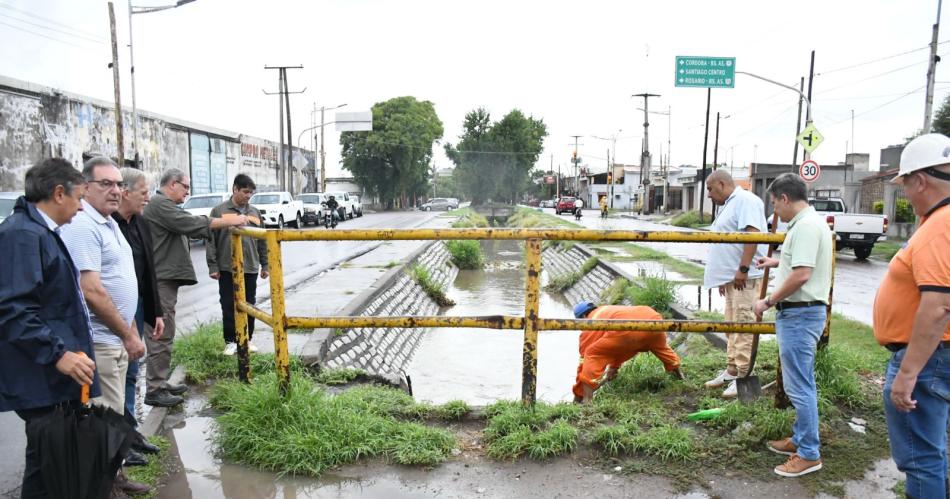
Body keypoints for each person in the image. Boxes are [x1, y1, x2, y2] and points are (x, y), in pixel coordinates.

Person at [0, 159, 98, 498]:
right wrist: (58, 355)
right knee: (47, 471)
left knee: (49, 465)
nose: (81, 207)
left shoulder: (37, 231)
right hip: (42, 374)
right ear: (59, 193)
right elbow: (14, 310)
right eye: (79, 198)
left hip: (51, 377)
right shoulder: (23, 236)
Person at [872, 133, 950, 498]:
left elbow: (938, 307)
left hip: (927, 359)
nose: (905, 193)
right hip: (935, 357)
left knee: (920, 458)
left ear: (920, 180)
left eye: (905, 184)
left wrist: (907, 373)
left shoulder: (940, 226)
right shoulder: (936, 221)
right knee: (934, 450)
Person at [143, 168, 247, 408]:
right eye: (185, 187)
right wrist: (231, 220)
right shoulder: (160, 205)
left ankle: (159, 383)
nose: (188, 192)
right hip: (160, 279)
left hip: (164, 277)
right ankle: (155, 389)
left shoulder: (164, 205)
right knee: (161, 333)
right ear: (172, 184)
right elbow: (191, 224)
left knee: (165, 331)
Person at [753, 173, 833, 478]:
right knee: (801, 380)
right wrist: (777, 263)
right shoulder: (808, 224)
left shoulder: (807, 228)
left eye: (775, 202)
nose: (775, 210)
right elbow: (799, 264)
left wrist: (768, 301)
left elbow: (802, 274)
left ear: (785, 198)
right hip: (802, 312)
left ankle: (809, 454)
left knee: (799, 386)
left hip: (800, 313)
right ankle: (800, 439)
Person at [112, 167, 164, 457]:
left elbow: (149, 270)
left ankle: (130, 433)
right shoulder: (110, 224)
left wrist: (155, 312)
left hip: (138, 303)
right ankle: (118, 440)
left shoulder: (140, 223)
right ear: (126, 192)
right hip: (115, 310)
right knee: (117, 373)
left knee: (132, 371)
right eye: (144, 192)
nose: (148, 197)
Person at [702, 170, 768, 398]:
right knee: (731, 324)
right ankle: (732, 369)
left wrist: (743, 269)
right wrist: (724, 276)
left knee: (743, 324)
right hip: (731, 279)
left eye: (710, 189)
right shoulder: (729, 204)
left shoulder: (746, 201)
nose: (709, 195)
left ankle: (743, 375)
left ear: (722, 184)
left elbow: (752, 234)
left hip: (744, 279)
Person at [572, 301, 684, 404]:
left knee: (591, 354)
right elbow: (620, 347)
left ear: (582, 317)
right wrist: (614, 367)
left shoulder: (591, 322)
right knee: (662, 348)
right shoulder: (606, 310)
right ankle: (681, 379)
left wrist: (578, 394)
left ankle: (586, 402)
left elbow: (584, 363)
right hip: (653, 320)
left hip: (627, 329)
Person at [207, 174, 269, 356]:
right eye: (245, 192)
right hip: (227, 267)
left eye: (251, 192)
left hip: (250, 267)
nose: (248, 196)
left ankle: (247, 340)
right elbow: (211, 240)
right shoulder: (219, 211)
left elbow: (262, 241)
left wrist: (265, 265)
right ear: (235, 189)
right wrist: (213, 266)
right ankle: (231, 341)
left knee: (250, 303)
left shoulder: (254, 212)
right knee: (228, 304)